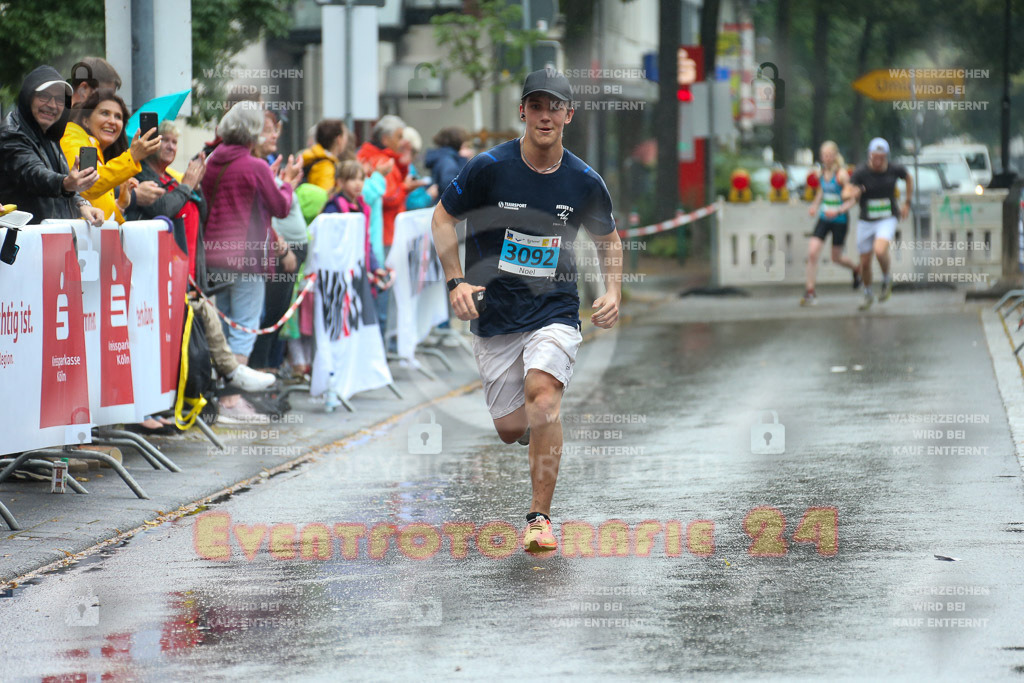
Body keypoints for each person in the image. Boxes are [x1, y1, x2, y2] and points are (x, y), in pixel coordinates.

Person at [430, 69, 622, 554]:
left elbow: (608, 239)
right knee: (511, 427)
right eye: (536, 106)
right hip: (495, 313)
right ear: (522, 111)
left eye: (554, 107)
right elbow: (443, 218)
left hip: (554, 307)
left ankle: (539, 519)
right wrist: (456, 281)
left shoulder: (583, 180)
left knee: (543, 398)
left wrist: (614, 290)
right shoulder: (488, 168)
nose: (545, 115)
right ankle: (532, 432)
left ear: (568, 115)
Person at [127, 120, 277, 401]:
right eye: (165, 140)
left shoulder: (174, 178)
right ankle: (230, 386)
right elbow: (163, 209)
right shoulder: (145, 176)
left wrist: (193, 189)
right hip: (162, 275)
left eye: (174, 141)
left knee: (195, 335)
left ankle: (212, 392)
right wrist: (187, 188)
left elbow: (201, 217)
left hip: (192, 270)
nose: (171, 146)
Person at [201, 101, 302, 365]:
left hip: (214, 256)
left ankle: (221, 390)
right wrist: (288, 185)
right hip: (247, 257)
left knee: (224, 323)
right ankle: (232, 397)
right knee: (245, 325)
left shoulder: (212, 161)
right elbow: (280, 207)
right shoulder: (255, 166)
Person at [0, 65, 104, 225]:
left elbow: (60, 184)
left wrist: (81, 204)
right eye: (44, 96)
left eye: (60, 100)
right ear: (28, 96)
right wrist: (66, 183)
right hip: (22, 242)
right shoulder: (11, 133)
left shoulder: (49, 134)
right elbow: (34, 174)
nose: (52, 105)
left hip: (51, 239)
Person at [250, 111, 310, 372]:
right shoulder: (253, 165)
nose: (275, 134)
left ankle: (266, 376)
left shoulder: (265, 164)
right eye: (268, 129)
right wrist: (282, 247)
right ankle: (257, 378)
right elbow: (265, 213)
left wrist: (285, 185)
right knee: (265, 319)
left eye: (276, 129)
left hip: (285, 253)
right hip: (273, 254)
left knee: (276, 318)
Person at [63, 88, 164, 223]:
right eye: (105, 113)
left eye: (118, 117)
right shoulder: (75, 137)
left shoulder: (95, 148)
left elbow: (101, 213)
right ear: (86, 120)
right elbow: (87, 185)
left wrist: (121, 204)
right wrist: (132, 156)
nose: (112, 121)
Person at [842, 137, 912, 310]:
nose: (878, 161)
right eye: (875, 157)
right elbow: (845, 193)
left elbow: (908, 178)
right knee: (864, 263)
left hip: (887, 217)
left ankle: (886, 280)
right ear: (869, 155)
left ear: (886, 156)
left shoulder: (895, 169)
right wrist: (854, 192)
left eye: (881, 157)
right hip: (866, 220)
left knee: (880, 250)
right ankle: (867, 293)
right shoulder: (861, 171)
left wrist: (907, 202)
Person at [800, 141, 861, 306]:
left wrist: (839, 210)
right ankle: (810, 291)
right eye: (823, 155)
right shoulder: (822, 173)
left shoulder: (841, 175)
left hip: (839, 220)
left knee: (836, 257)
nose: (826, 158)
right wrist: (814, 206)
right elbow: (822, 191)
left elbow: (853, 199)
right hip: (824, 218)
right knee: (812, 252)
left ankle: (856, 269)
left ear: (835, 156)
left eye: (829, 155)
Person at [356, 115, 413, 254]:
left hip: (382, 231)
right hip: (385, 233)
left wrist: (402, 165)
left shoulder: (371, 156)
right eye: (399, 137)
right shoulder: (381, 161)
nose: (402, 142)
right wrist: (406, 188)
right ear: (385, 139)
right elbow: (389, 197)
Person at [300, 119, 349, 191]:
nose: (346, 141)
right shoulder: (325, 165)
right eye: (345, 137)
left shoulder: (317, 158)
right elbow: (326, 197)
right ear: (339, 139)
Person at [401, 126, 437, 210]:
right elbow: (413, 203)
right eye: (414, 152)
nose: (416, 156)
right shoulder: (407, 169)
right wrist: (429, 195)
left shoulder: (408, 167)